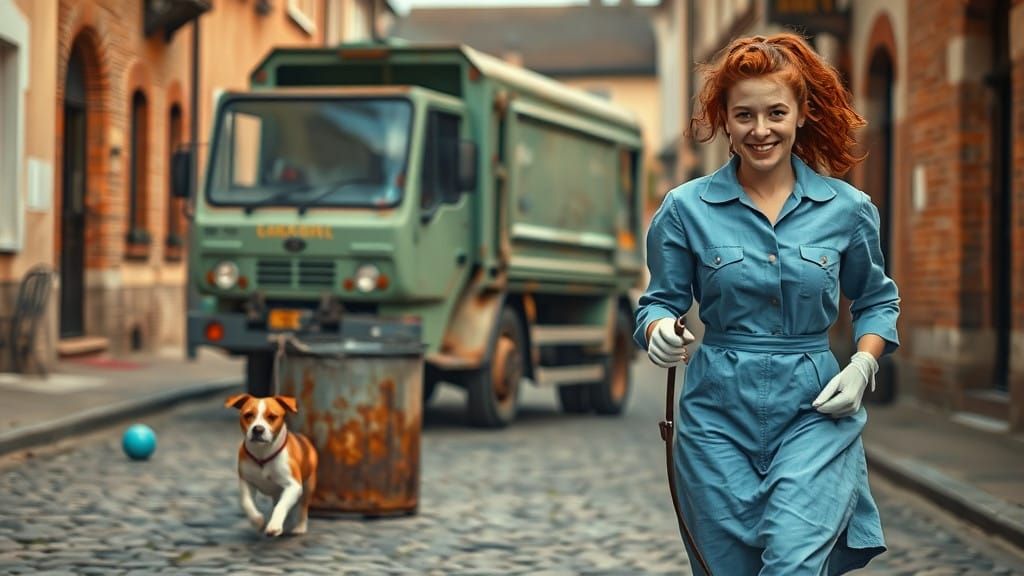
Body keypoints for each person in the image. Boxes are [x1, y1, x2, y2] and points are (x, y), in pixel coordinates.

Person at [635, 33, 900, 575]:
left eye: (776, 112)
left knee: (794, 560)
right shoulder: (685, 209)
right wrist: (659, 329)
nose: (761, 130)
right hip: (715, 416)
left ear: (801, 114)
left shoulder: (848, 209)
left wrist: (863, 364)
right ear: (725, 121)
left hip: (815, 410)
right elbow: (659, 301)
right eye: (744, 115)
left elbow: (877, 299)